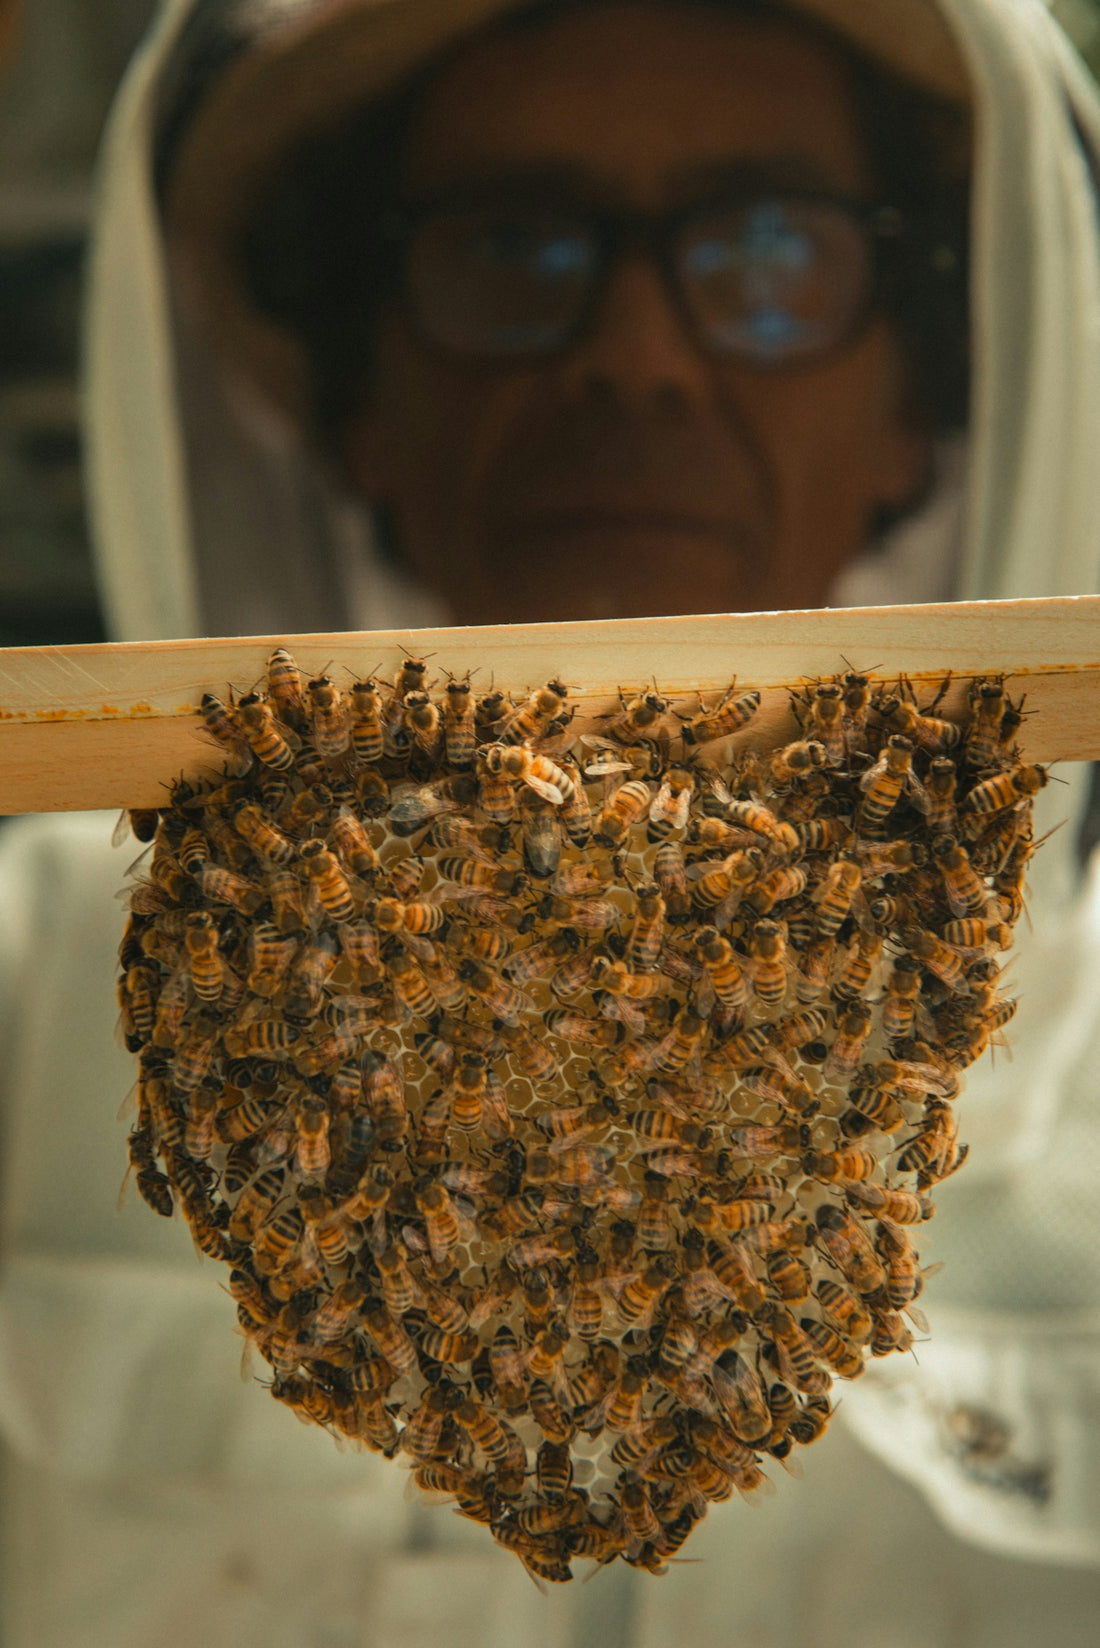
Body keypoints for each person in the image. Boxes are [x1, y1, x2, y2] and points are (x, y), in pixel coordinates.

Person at [2, 0, 1100, 1643]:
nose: (638, 357)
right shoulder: (26, 996)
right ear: (353, 410)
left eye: (769, 254)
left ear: (911, 417)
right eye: (510, 248)